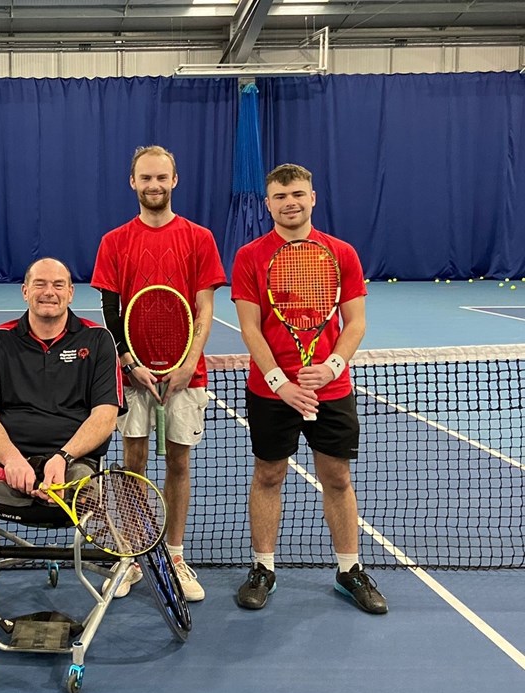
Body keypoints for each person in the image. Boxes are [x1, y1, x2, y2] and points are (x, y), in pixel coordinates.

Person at [230, 163, 387, 614]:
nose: (290, 203)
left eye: (298, 194)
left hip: (331, 389)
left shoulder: (342, 253)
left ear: (313, 198)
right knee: (269, 475)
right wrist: (281, 383)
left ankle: (349, 569)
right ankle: (263, 567)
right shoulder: (250, 257)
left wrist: (332, 365)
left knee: (337, 477)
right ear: (268, 204)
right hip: (271, 392)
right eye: (280, 197)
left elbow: (355, 322)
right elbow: (250, 329)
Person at [90, 145, 226, 601]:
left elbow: (205, 306)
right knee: (132, 463)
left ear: (175, 180)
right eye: (145, 178)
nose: (154, 185)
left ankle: (173, 553)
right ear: (133, 183)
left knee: (179, 462)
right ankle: (130, 553)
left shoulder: (199, 238)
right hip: (132, 376)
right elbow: (111, 309)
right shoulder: (114, 241)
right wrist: (128, 362)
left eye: (161, 177)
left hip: (187, 374)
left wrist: (188, 363)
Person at [0, 257, 122, 513]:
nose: (49, 292)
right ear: (25, 291)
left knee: (85, 494)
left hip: (75, 463)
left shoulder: (98, 340)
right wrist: (12, 460)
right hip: (13, 464)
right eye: (40, 284)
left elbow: (105, 417)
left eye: (58, 285)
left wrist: (63, 458)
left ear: (71, 293)